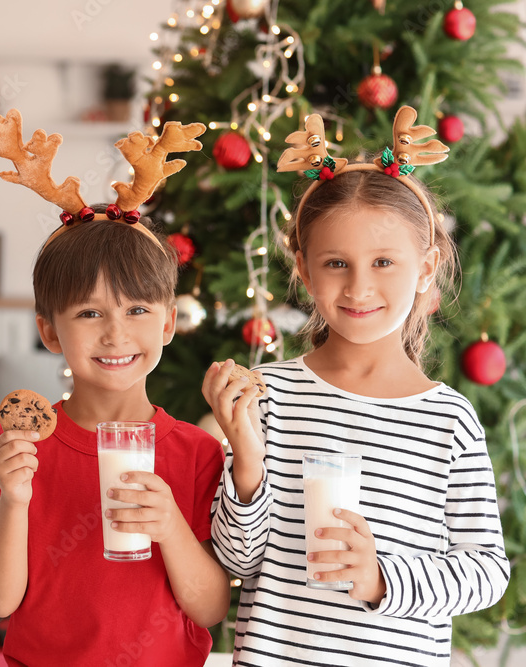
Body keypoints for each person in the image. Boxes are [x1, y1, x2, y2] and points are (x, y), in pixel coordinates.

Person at [204, 106, 509, 666]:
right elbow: (236, 563)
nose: (359, 286)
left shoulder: (449, 419)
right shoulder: (269, 397)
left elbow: (486, 572)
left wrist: (380, 580)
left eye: (385, 261)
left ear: (425, 268)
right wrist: (246, 463)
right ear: (304, 268)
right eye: (337, 262)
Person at [0, 109, 230, 666]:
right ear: (48, 331)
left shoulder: (196, 452)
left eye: (137, 309)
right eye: (88, 313)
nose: (115, 333)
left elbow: (209, 610)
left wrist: (172, 528)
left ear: (167, 323)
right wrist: (16, 500)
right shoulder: (19, 448)